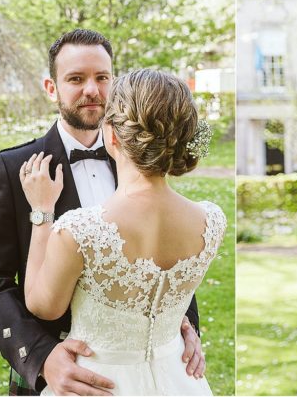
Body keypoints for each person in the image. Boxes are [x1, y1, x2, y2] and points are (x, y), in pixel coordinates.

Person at [0, 30, 206, 396]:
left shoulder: (146, 161)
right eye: (76, 79)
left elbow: (167, 258)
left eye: (101, 78)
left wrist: (185, 326)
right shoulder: (14, 167)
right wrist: (42, 357)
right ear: (52, 87)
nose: (92, 90)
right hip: (59, 379)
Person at [18, 68, 224, 395]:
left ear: (111, 134)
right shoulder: (211, 221)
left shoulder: (80, 230)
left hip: (97, 384)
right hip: (179, 379)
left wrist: (42, 213)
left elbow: (44, 306)